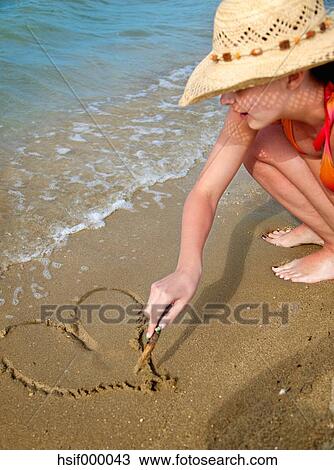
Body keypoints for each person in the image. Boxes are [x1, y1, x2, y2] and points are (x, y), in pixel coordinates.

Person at [144, 0, 334, 338]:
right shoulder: (255, 107)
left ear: (292, 75)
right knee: (255, 144)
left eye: (240, 84)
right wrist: (187, 269)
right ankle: (320, 225)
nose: (225, 99)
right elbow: (205, 191)